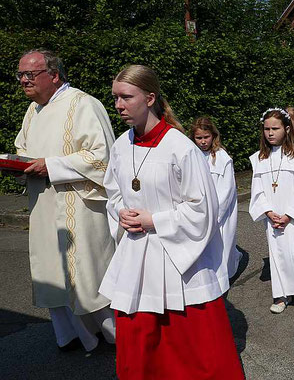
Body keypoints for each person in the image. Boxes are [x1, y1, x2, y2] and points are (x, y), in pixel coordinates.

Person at [99, 65, 243, 379]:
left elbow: (204, 210)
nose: (119, 105)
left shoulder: (181, 148)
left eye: (126, 97)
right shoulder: (121, 145)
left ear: (150, 98)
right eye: (115, 98)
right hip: (137, 258)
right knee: (140, 349)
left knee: (192, 353)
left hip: (179, 261)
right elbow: (113, 189)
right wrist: (120, 210)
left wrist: (156, 220)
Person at [13, 49, 116, 352]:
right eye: (19, 75)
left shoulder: (84, 105)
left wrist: (51, 166)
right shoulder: (33, 111)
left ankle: (112, 335)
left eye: (29, 75)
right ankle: (72, 336)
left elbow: (103, 157)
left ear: (54, 75)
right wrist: (19, 167)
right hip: (43, 203)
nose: (23, 81)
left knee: (85, 274)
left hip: (79, 206)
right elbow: (24, 148)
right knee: (50, 271)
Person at [249, 108, 294, 314]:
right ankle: (281, 295)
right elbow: (257, 190)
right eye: (266, 129)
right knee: (278, 254)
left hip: (293, 216)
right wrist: (268, 212)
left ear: (287, 129)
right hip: (273, 216)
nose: (270, 133)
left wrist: (288, 215)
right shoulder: (259, 158)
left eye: (275, 128)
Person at [190, 117, 242, 280]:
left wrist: (214, 214)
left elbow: (226, 190)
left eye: (206, 137)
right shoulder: (192, 155)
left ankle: (224, 275)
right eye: (199, 138)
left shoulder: (222, 158)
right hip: (199, 210)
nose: (203, 141)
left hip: (218, 211)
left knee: (221, 245)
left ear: (213, 136)